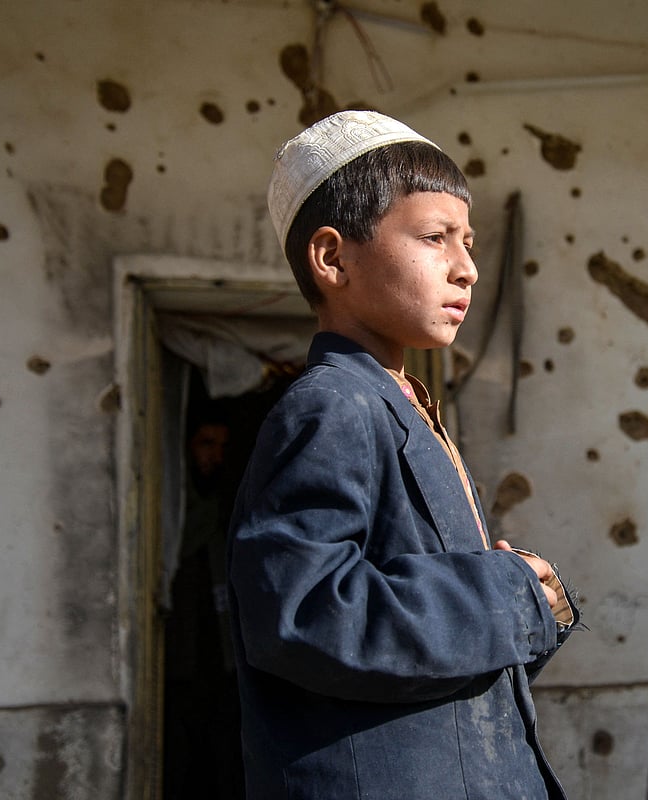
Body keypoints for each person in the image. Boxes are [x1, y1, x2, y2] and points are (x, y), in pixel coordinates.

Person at [226, 110, 580, 799]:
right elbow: (304, 614)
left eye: (468, 241)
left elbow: (417, 653)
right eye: (434, 238)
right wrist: (507, 596)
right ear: (332, 259)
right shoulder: (332, 405)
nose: (468, 268)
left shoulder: (406, 409)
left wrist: (539, 610)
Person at [164, 408, 244, 798]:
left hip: (223, 659)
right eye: (206, 444)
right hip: (181, 659)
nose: (214, 456)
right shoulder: (172, 510)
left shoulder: (229, 505)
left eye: (222, 446)